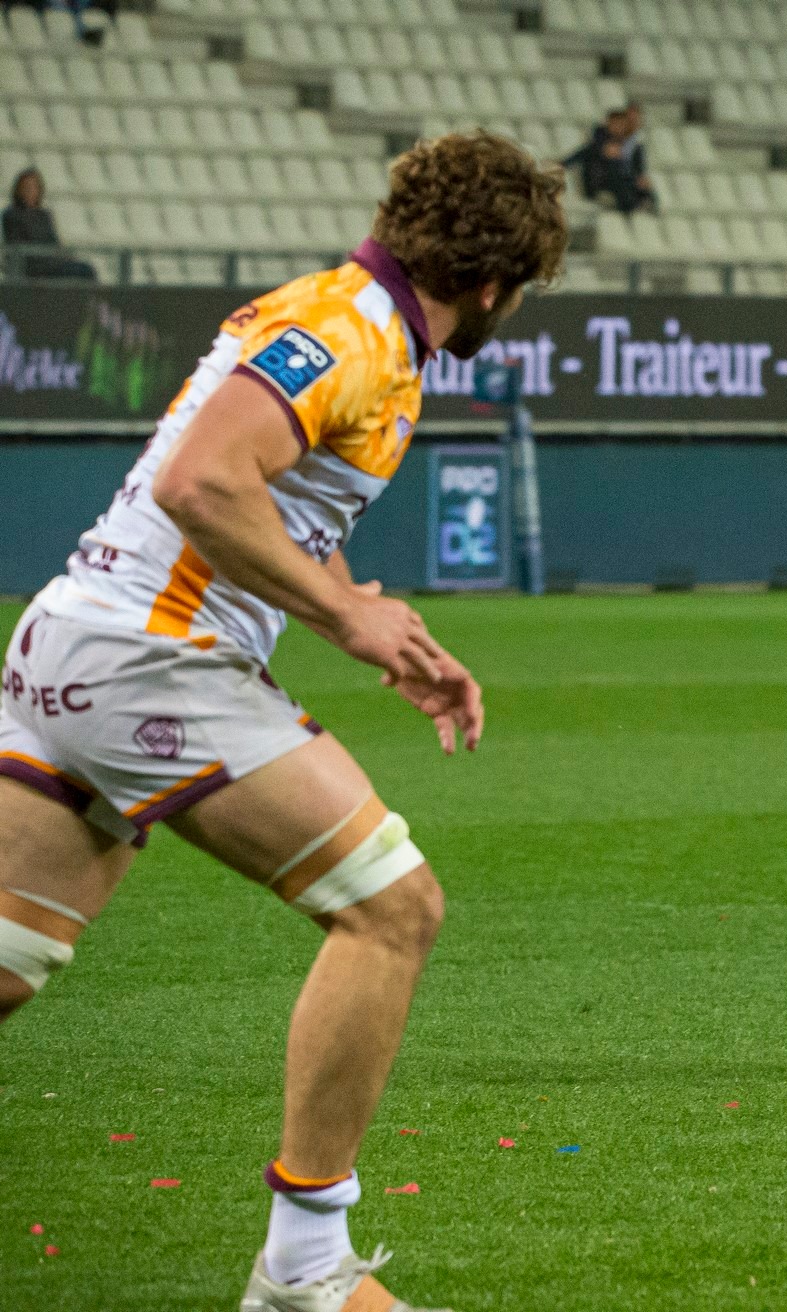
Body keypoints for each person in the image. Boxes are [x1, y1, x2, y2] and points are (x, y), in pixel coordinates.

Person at [0, 131, 565, 1311]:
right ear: (497, 280)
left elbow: (272, 498)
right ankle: (306, 1267)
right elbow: (201, 480)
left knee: (9, 958)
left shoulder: (347, 317)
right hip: (150, 659)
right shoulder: (358, 333)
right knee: (393, 909)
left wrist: (366, 612)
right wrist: (349, 626)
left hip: (74, 640)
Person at [2, 168, 96, 281]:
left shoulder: (44, 215)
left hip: (52, 263)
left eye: (34, 187)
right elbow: (17, 246)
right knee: (81, 271)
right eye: (27, 187)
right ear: (19, 190)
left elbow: (54, 242)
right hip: (33, 266)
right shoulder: (12, 215)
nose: (30, 191)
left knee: (86, 268)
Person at [562, 107, 654, 215]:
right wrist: (563, 164)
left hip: (623, 180)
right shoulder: (599, 140)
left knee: (643, 185)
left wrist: (639, 178)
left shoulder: (632, 145)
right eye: (616, 124)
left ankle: (645, 207)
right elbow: (583, 153)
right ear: (609, 123)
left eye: (621, 125)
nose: (619, 128)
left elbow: (638, 168)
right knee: (618, 177)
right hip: (601, 181)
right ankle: (630, 208)